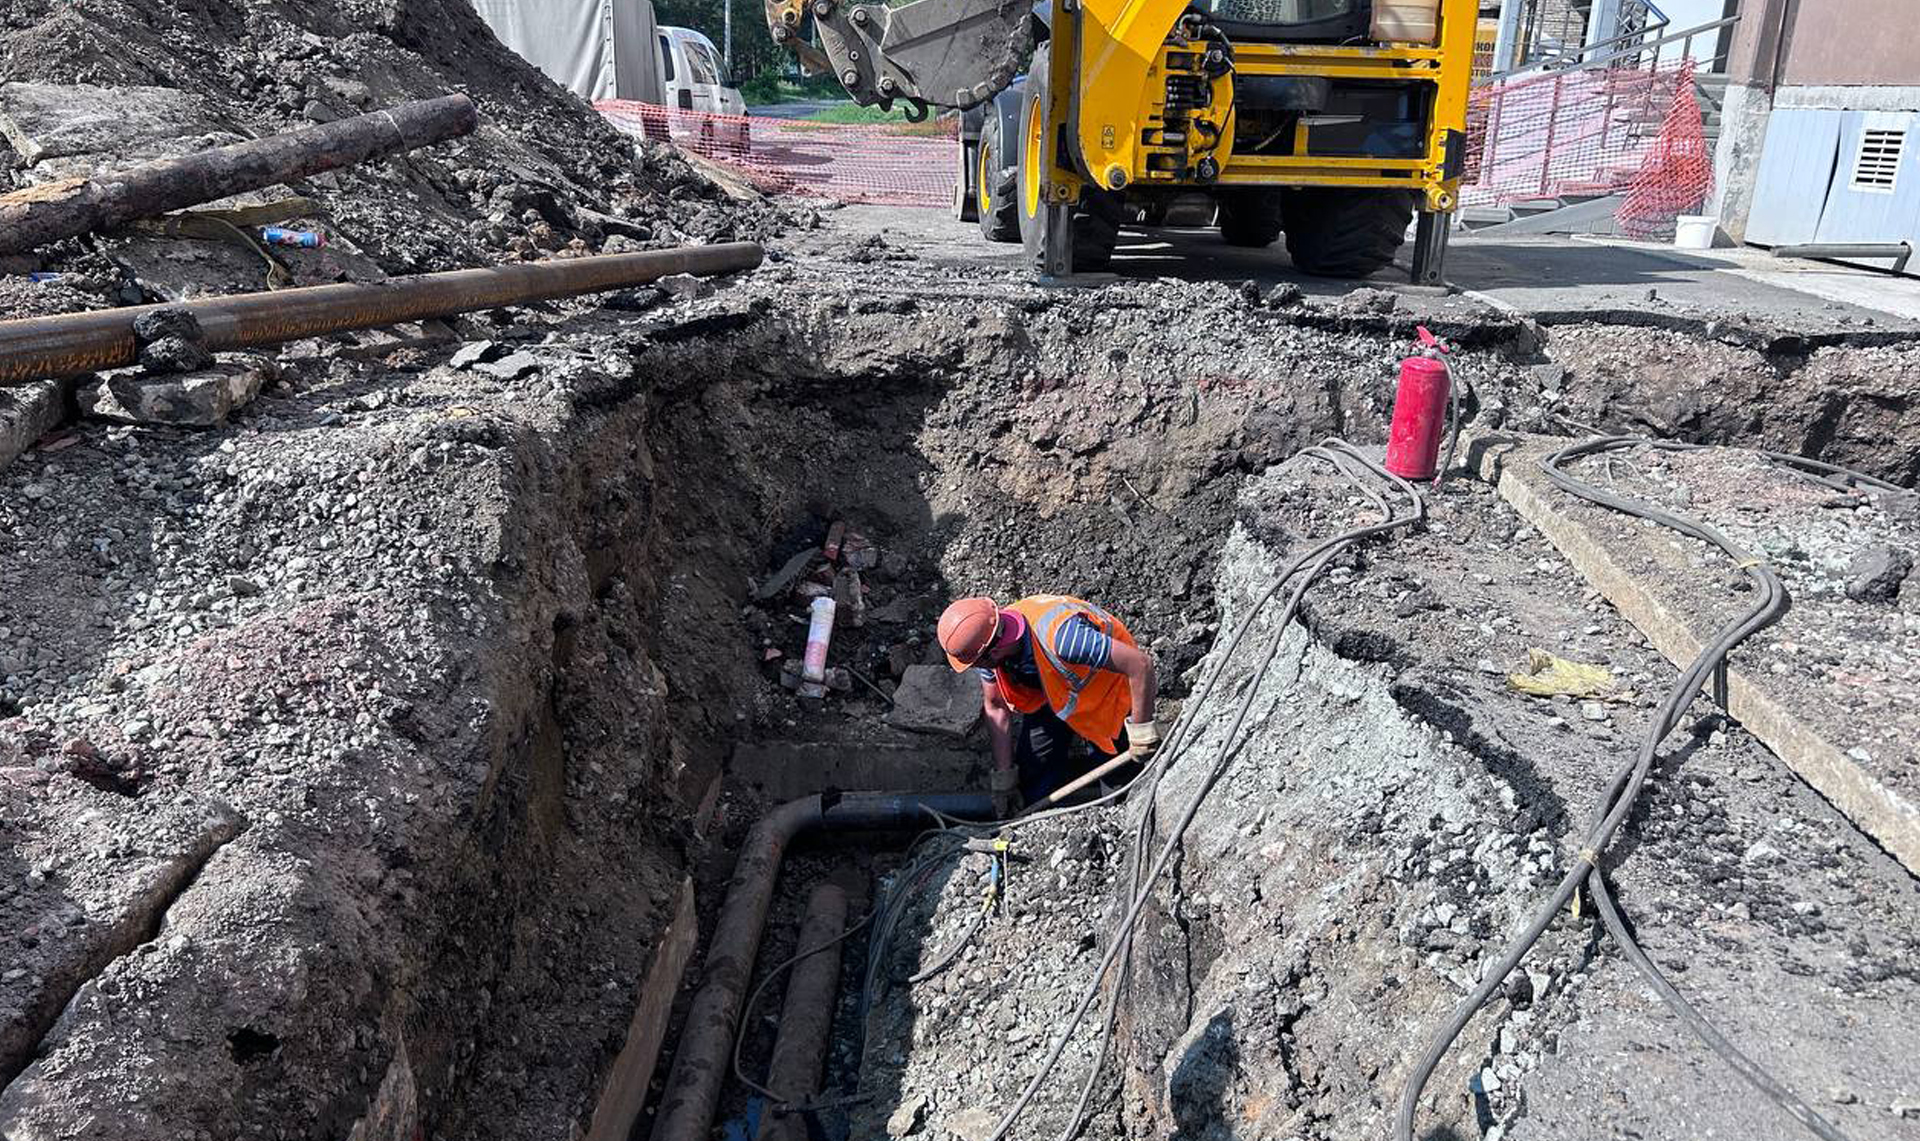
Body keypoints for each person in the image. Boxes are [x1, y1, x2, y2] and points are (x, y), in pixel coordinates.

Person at [936, 594, 1160, 816]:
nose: (976, 667)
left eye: (975, 663)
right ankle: (1036, 826)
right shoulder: (990, 643)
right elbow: (996, 707)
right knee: (1034, 771)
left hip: (1106, 695)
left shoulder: (1066, 640)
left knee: (1118, 785)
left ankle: (1117, 821)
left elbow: (1140, 665)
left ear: (993, 651)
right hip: (1054, 696)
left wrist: (1141, 732)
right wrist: (1004, 779)